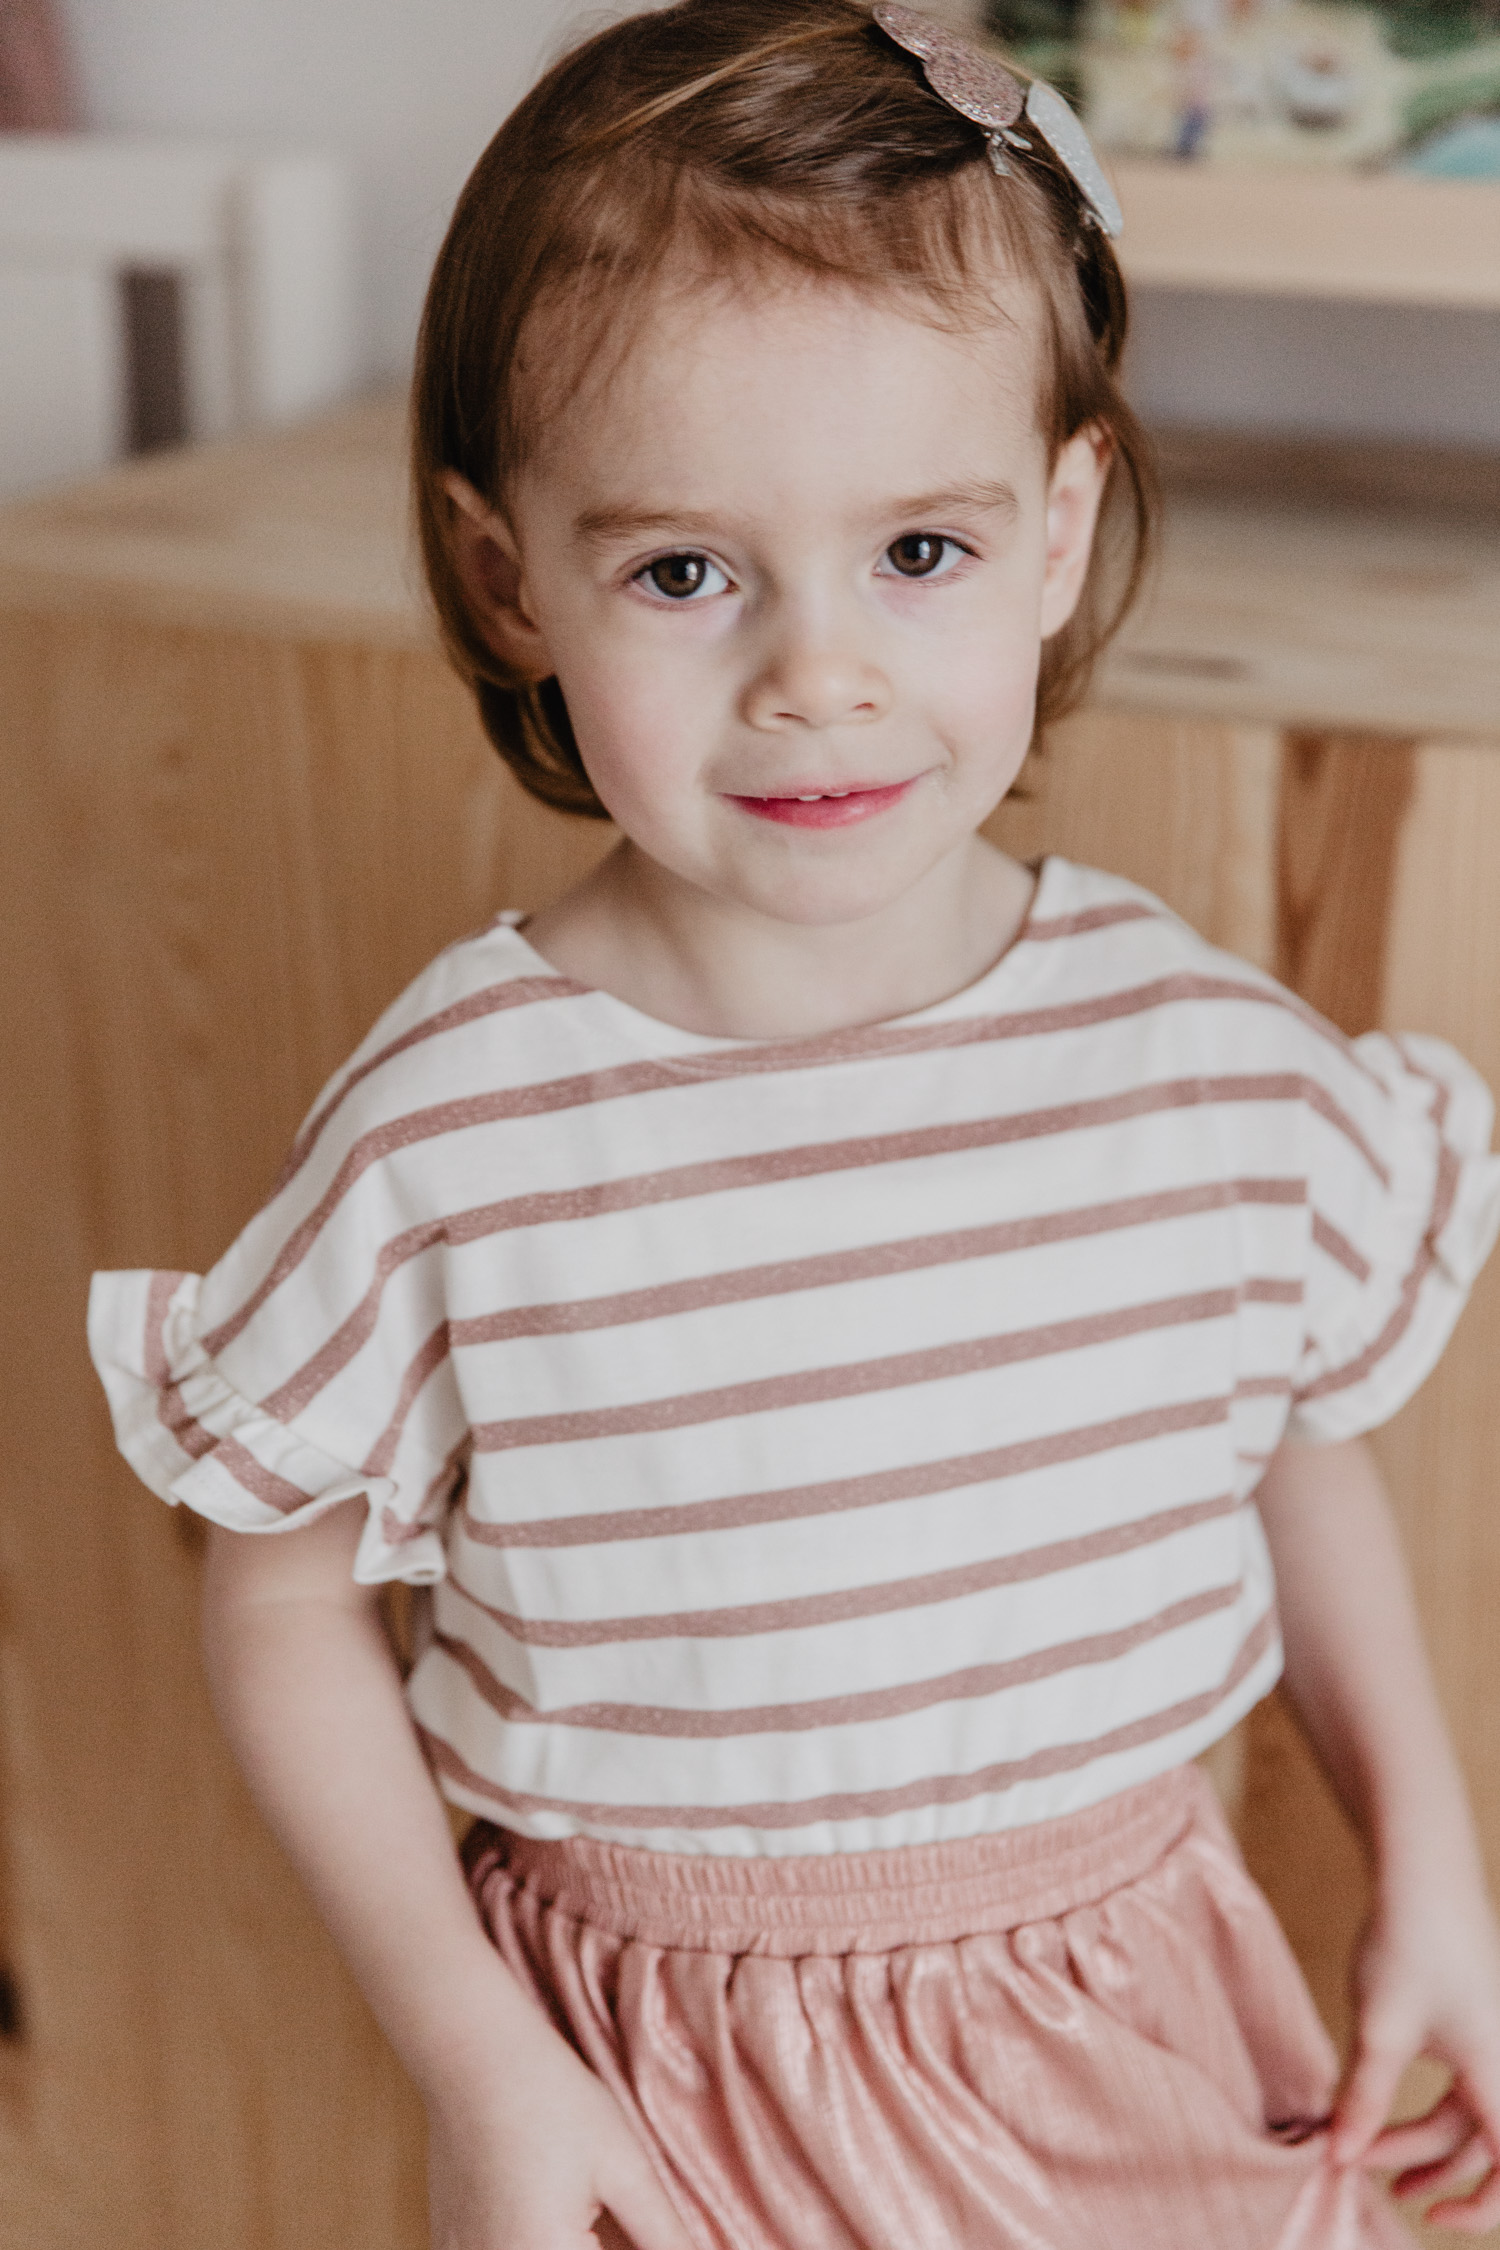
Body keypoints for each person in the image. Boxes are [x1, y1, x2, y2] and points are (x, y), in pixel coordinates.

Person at [88, 3, 1500, 2244]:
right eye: (685, 572)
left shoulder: (1199, 1058)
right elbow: (278, 1606)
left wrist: (1433, 1856)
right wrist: (481, 2064)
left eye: (918, 552)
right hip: (663, 2098)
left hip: (1136, 2032)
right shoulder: (455, 1136)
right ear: (509, 579)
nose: (816, 677)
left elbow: (1286, 1437)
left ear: (1059, 529)